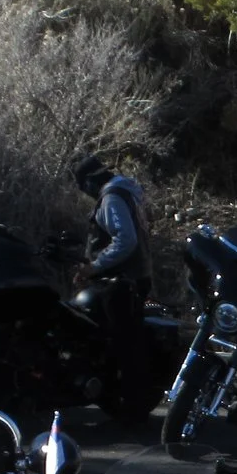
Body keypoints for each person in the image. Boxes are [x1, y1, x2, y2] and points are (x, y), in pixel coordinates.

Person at [73, 153, 155, 421]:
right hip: (131, 278)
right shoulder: (128, 191)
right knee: (123, 341)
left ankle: (132, 408)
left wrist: (96, 267)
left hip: (122, 282)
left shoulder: (112, 197)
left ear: (88, 182)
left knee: (125, 344)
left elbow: (125, 241)